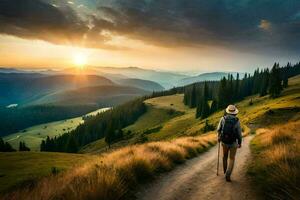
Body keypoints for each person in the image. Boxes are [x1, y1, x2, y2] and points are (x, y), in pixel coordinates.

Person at [217, 105, 242, 182]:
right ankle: (228, 174)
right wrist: (240, 142)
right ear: (235, 112)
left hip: (224, 142)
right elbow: (239, 133)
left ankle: (225, 171)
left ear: (228, 111)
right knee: (232, 158)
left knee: (224, 156)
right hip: (233, 142)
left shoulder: (223, 118)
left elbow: (218, 129)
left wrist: (219, 137)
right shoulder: (237, 121)